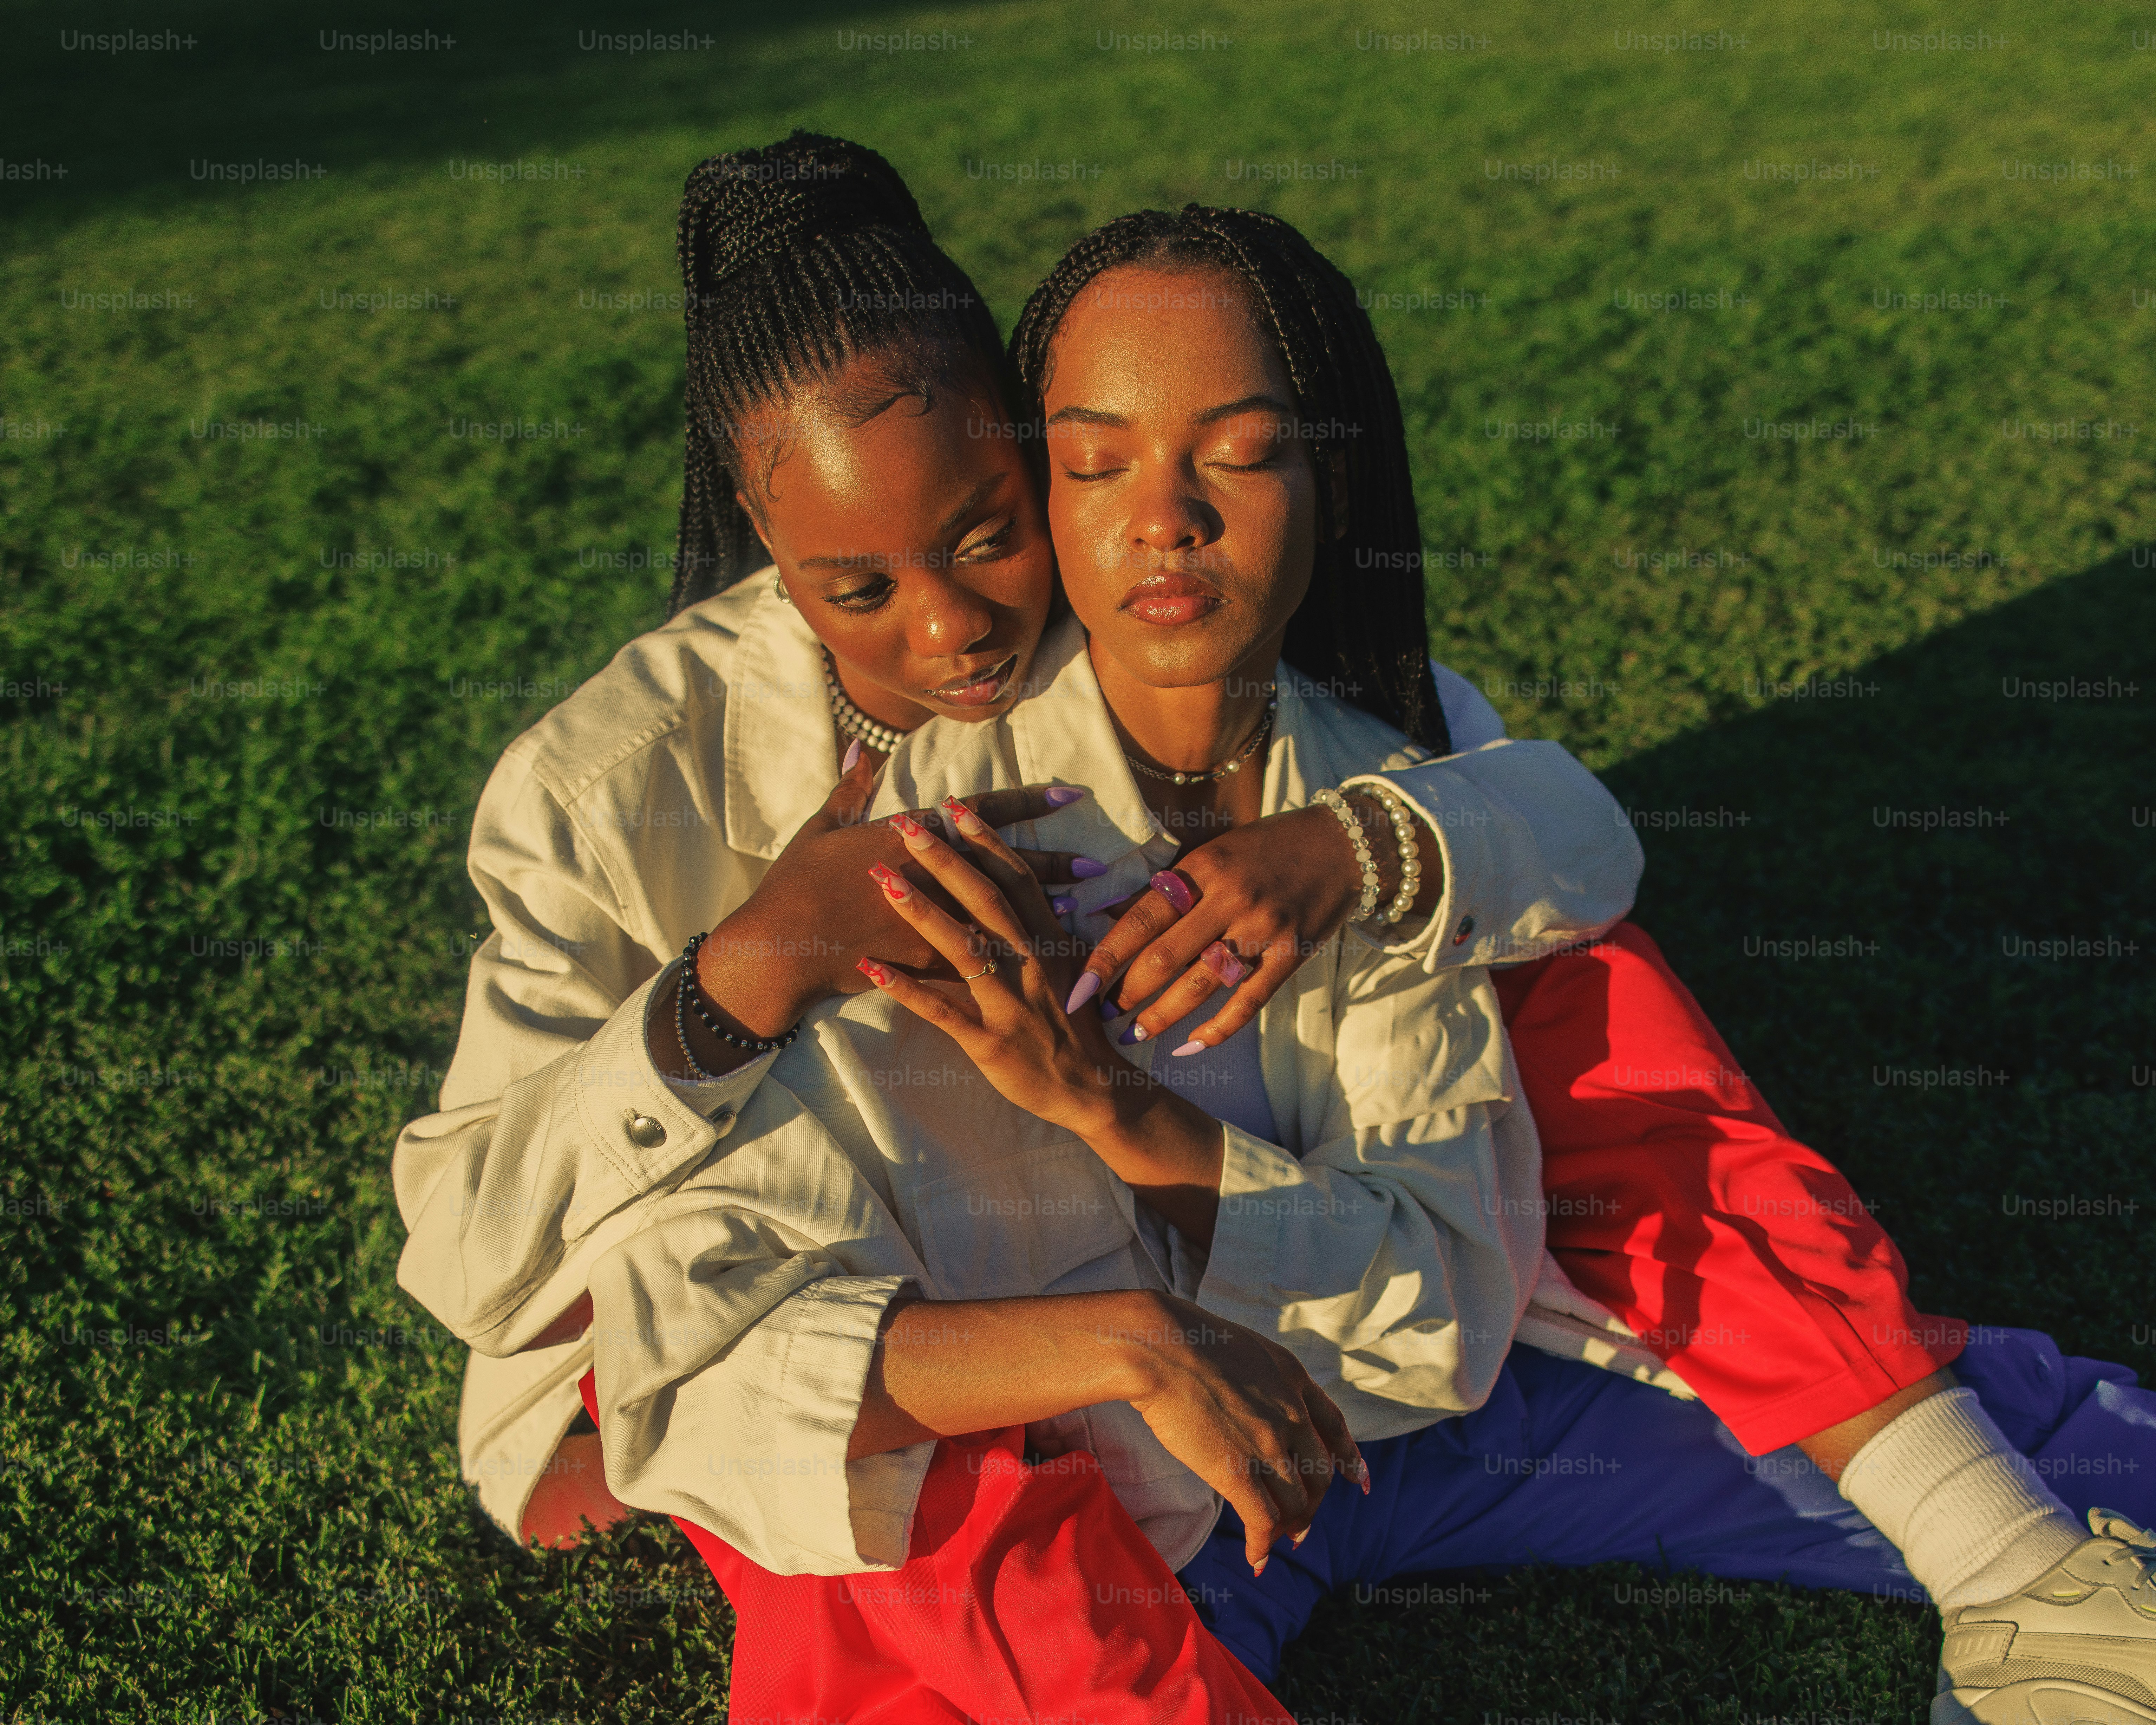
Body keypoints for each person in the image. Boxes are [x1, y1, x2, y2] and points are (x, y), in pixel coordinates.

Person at [393, 134, 1641, 1562]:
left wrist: (1354, 844)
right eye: (856, 588)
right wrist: (752, 967)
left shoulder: (1135, 631)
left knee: (1617, 1025)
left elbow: (1502, 794)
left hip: (1059, 1329)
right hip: (728, 1353)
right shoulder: (602, 786)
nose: (954, 629)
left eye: (988, 535)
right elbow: (474, 1256)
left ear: (1026, 453)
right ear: (762, 535)